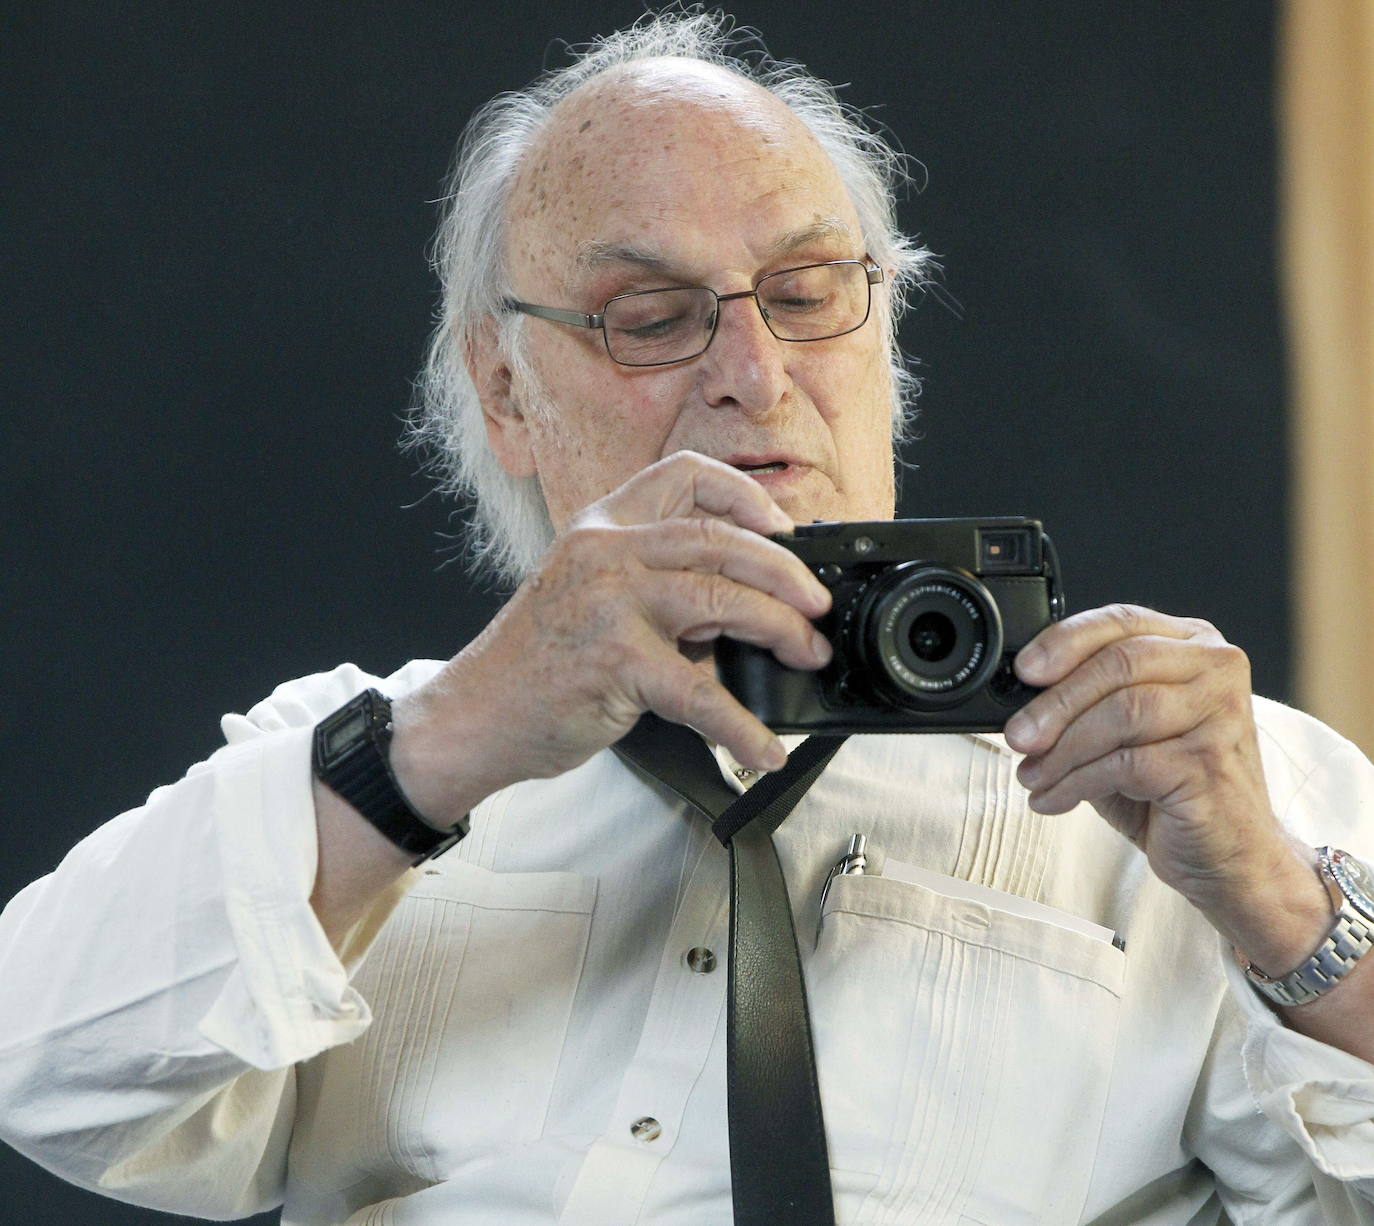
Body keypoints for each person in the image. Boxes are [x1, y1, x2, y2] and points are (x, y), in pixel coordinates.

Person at [2, 11, 1374, 1224]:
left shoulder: (1205, 770)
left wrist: (1270, 900)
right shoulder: (363, 762)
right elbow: (42, 1074)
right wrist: (447, 744)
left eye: (804, 294)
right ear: (501, 390)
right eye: (648, 315)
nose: (751, 372)